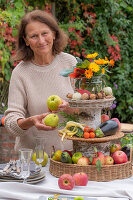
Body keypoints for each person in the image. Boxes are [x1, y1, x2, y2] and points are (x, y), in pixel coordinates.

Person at [4, 10, 77, 155]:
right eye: (34, 36)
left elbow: (88, 111)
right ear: (26, 40)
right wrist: (31, 121)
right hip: (34, 161)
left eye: (45, 33)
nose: (41, 40)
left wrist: (70, 108)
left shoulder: (70, 63)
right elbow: (11, 123)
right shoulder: (20, 73)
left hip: (71, 156)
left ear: (54, 34)